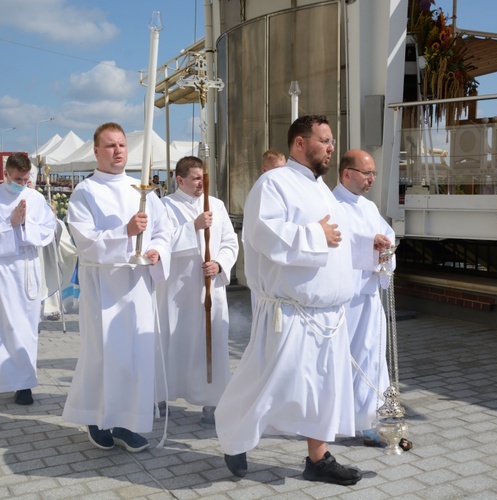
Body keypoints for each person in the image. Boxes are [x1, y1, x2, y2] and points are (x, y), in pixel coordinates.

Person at [215, 115, 362, 485]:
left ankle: (319, 459)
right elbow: (265, 235)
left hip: (326, 315)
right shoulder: (274, 183)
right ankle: (233, 436)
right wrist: (315, 235)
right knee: (265, 383)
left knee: (322, 389)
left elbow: (340, 240)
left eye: (331, 141)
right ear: (300, 142)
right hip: (289, 312)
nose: (331, 147)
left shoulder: (320, 188)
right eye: (324, 140)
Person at [62, 122, 171, 452]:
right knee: (104, 355)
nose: (118, 151)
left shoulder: (143, 191)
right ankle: (97, 417)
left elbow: (165, 232)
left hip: (137, 288)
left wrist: (156, 251)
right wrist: (125, 232)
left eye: (122, 145)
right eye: (110, 146)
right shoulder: (86, 192)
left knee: (136, 356)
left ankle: (128, 422)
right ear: (97, 151)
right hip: (104, 289)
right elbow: (85, 244)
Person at [332, 149, 412, 452]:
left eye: (374, 173)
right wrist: (369, 245)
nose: (372, 179)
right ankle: (337, 421)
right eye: (367, 173)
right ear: (347, 173)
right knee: (345, 361)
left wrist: (384, 249)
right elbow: (335, 245)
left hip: (369, 297)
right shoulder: (331, 205)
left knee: (373, 359)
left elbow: (386, 236)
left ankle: (371, 423)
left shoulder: (368, 206)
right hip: (343, 299)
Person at [156, 156, 239, 425]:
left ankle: (211, 400)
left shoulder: (216, 205)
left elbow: (229, 241)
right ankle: (161, 393)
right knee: (172, 339)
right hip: (177, 290)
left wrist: (219, 263)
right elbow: (162, 242)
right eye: (194, 178)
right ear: (180, 180)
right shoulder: (165, 206)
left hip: (208, 289)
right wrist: (193, 228)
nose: (201, 182)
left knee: (211, 340)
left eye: (203, 177)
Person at [0, 153, 56, 405]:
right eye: (18, 179)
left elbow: (48, 230)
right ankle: (14, 380)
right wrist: (11, 223)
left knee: (28, 326)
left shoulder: (36, 198)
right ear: (6, 174)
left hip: (28, 266)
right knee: (6, 325)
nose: (23, 183)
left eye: (26, 179)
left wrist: (26, 224)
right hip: (2, 269)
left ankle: (25, 384)